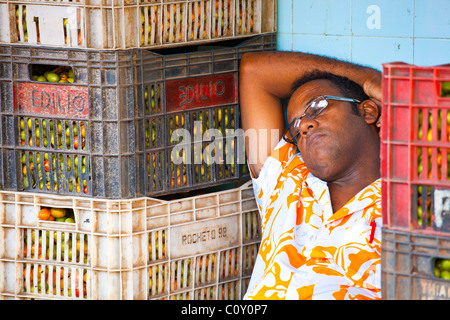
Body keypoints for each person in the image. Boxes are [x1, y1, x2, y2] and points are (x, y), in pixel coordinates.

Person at [239, 51, 383, 300]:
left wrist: (372, 87)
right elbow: (255, 73)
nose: (303, 126)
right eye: (295, 127)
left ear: (367, 111)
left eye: (317, 107)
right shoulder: (285, 177)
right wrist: (369, 79)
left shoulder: (409, 203)